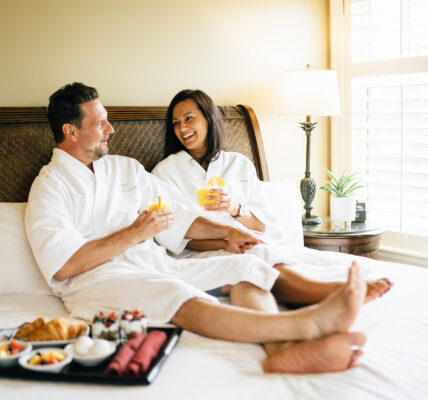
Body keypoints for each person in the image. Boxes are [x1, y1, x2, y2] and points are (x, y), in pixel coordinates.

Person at [26, 82, 367, 375]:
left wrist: (229, 232)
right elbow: (63, 264)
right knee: (174, 293)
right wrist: (134, 232)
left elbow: (177, 215)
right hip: (97, 281)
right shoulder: (49, 186)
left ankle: (280, 351)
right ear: (71, 131)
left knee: (245, 267)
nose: (111, 130)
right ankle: (304, 325)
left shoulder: (125, 168)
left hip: (155, 263)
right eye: (100, 124)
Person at [152, 89, 393, 307]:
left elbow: (264, 225)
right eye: (175, 122)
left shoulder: (238, 163)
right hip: (205, 254)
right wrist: (226, 241)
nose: (182, 128)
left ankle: (328, 288)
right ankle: (331, 294)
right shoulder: (166, 172)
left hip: (252, 241)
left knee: (287, 257)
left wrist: (236, 209)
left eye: (189, 118)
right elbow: (175, 232)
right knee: (260, 257)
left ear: (209, 118)